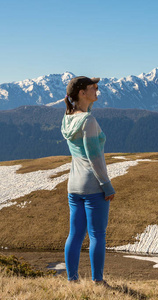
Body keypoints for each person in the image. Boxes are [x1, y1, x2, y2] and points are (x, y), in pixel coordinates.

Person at [60, 76, 115, 284]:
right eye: (94, 87)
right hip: (92, 185)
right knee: (97, 234)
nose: (97, 89)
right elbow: (94, 157)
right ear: (82, 93)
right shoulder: (88, 121)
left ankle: (72, 280)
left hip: (73, 184)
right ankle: (98, 281)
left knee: (74, 234)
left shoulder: (67, 117)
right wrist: (106, 185)